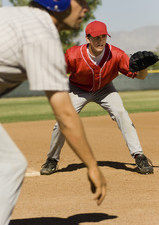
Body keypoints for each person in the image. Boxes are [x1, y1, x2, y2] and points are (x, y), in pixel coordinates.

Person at [0, 0, 107, 224]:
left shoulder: (15, 16)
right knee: (9, 165)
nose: (87, 8)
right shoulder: (42, 34)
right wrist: (92, 166)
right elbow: (65, 114)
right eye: (81, 0)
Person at [40, 20, 154, 177]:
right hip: (77, 90)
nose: (100, 40)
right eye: (96, 37)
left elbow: (140, 77)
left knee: (121, 113)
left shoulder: (116, 54)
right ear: (87, 39)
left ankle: (139, 156)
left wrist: (143, 69)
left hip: (105, 89)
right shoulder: (73, 55)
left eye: (103, 36)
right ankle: (52, 159)